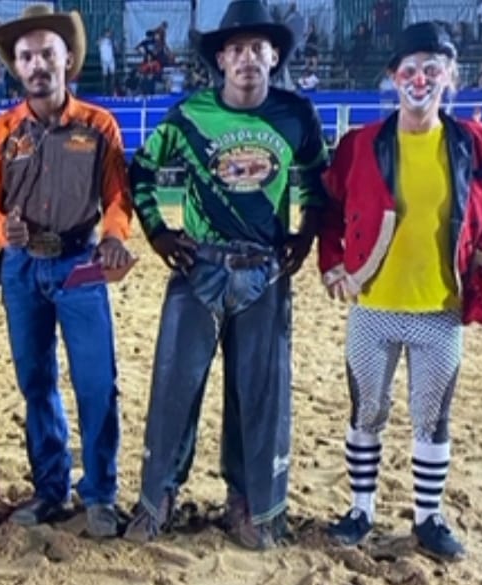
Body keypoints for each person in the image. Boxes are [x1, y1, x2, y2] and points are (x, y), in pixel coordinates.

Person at [124, 0, 327, 550]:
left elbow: (315, 182)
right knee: (175, 385)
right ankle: (157, 497)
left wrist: (304, 236)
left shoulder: (296, 116)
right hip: (200, 268)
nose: (246, 59)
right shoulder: (190, 116)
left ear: (274, 56)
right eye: (235, 49)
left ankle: (250, 504)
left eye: (258, 48)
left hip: (264, 273)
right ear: (220, 58)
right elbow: (138, 171)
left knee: (257, 393)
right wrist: (157, 233)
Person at [318, 21, 482, 561]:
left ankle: (429, 518)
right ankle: (361, 509)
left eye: (433, 68)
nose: (421, 78)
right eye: (411, 68)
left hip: (441, 312)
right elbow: (328, 207)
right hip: (372, 309)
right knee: (366, 413)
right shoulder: (360, 145)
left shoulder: (478, 144)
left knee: (432, 417)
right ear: (393, 77)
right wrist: (333, 262)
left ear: (452, 76)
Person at [0, 4, 134, 539]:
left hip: (80, 262)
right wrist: (1, 231)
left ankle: (101, 493)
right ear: (16, 68)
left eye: (47, 53)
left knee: (96, 382)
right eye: (26, 56)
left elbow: (117, 196)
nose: (37, 63)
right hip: (21, 269)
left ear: (68, 59)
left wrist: (113, 237)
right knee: (35, 381)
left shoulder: (99, 125)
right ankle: (50, 488)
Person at [98, 28, 116, 94]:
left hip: (111, 59)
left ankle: (112, 90)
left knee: (112, 75)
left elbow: (116, 49)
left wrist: (113, 43)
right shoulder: (102, 40)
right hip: (104, 59)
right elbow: (98, 43)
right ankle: (104, 90)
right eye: (108, 33)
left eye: (110, 33)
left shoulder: (112, 40)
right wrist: (102, 40)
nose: (109, 34)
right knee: (104, 76)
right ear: (105, 33)